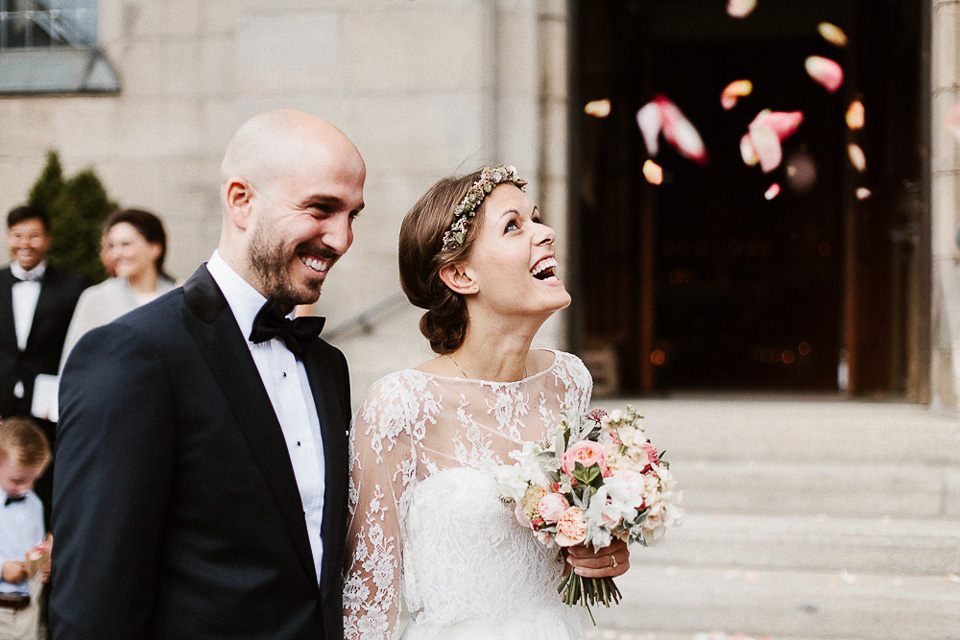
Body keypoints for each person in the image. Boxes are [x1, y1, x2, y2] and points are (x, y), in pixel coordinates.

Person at [50, 109, 365, 639]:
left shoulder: (326, 366)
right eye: (320, 209)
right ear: (242, 200)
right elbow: (93, 606)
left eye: (353, 215)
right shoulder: (133, 355)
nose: (341, 239)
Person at [344, 165, 630, 640]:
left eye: (536, 218)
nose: (547, 233)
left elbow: (564, 547)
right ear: (460, 274)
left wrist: (602, 547)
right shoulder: (401, 405)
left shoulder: (569, 380)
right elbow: (366, 599)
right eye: (514, 225)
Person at [0, 205, 85, 524]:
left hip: (48, 410)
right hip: (2, 404)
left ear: (47, 239)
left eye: (34, 236)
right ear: (9, 238)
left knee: (48, 481)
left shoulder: (74, 287)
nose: (26, 243)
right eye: (18, 235)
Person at [59, 208, 177, 369]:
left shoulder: (178, 299)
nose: (116, 253)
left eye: (126, 244)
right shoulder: (95, 298)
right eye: (112, 246)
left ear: (155, 248)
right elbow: (73, 366)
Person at [0, 417, 51, 640]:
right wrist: (1, 569)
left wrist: (44, 562)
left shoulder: (35, 503)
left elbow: (37, 548)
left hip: (29, 612)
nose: (25, 488)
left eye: (33, 480)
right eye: (17, 480)